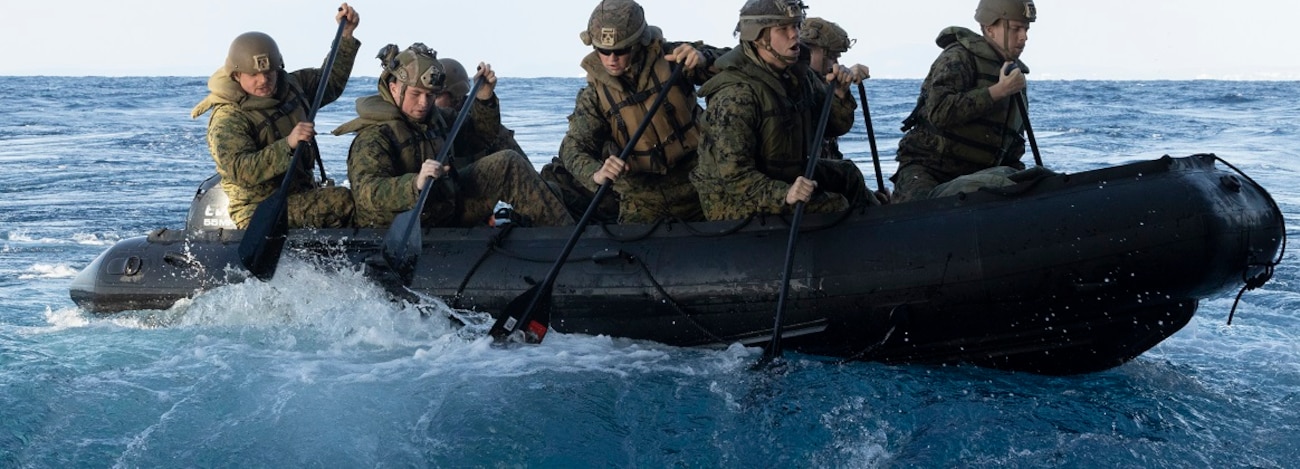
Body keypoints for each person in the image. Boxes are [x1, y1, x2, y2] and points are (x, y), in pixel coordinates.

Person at [333, 44, 575, 229]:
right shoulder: (374, 136)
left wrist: (484, 99)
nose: (423, 103)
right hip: (403, 223)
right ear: (394, 87)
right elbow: (368, 194)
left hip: (444, 204)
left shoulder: (436, 119)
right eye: (416, 94)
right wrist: (415, 183)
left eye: (430, 96)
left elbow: (480, 136)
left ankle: (566, 235)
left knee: (507, 164)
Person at [690, 0, 870, 221]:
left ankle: (884, 225)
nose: (794, 35)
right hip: (733, 201)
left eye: (795, 26)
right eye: (783, 29)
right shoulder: (736, 96)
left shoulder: (798, 76)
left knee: (849, 176)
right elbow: (734, 178)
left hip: (785, 175)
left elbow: (833, 127)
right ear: (758, 37)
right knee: (835, 206)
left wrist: (840, 95)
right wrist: (785, 194)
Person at [557, 0, 728, 224]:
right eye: (603, 51)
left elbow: (736, 64)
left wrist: (705, 59)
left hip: (700, 180)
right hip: (642, 196)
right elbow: (572, 148)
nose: (611, 59)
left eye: (620, 51)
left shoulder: (674, 58)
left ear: (638, 43)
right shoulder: (594, 96)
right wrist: (596, 173)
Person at [191, 4, 360, 229]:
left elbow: (329, 83)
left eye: (268, 73)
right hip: (258, 209)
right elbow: (242, 171)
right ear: (237, 74)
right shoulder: (228, 117)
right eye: (254, 75)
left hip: (300, 194)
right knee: (343, 201)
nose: (263, 80)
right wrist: (288, 144)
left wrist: (346, 36)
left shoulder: (291, 87)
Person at [889, 0, 1038, 203]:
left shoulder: (1013, 76)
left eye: (1026, 29)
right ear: (990, 29)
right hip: (929, 169)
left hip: (981, 175)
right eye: (1015, 29)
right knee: (922, 210)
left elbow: (1012, 144)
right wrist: (997, 91)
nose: (1024, 37)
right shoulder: (959, 58)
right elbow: (940, 111)